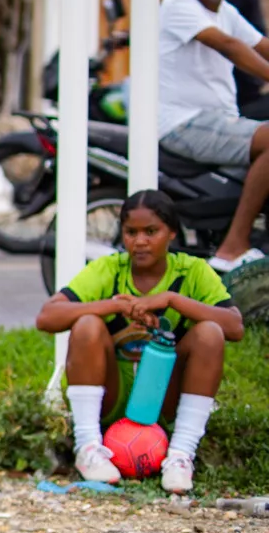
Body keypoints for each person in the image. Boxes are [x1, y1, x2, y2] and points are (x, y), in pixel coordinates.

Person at [36, 190, 242, 495]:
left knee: (209, 333)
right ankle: (88, 446)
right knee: (87, 324)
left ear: (172, 232)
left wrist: (172, 299)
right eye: (131, 232)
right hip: (110, 393)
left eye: (151, 232)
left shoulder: (192, 271)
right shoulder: (110, 269)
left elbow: (235, 326)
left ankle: (180, 454)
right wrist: (113, 306)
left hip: (165, 395)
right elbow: (47, 317)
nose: (140, 241)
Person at [157, 0, 269, 273]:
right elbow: (229, 46)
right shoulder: (178, 4)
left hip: (218, 121)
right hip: (182, 123)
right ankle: (233, 246)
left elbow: (261, 44)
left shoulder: (227, 12)